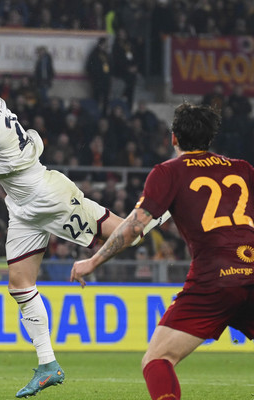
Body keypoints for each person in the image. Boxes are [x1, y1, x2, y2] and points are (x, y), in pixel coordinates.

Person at [0, 56, 169, 398]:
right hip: (21, 206)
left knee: (129, 236)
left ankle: (166, 208)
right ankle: (48, 366)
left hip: (47, 197)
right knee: (19, 285)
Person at [70, 102, 254, 400]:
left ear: (174, 138)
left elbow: (134, 227)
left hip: (214, 278)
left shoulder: (169, 172)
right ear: (210, 138)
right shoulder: (243, 169)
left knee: (157, 359)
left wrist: (92, 261)